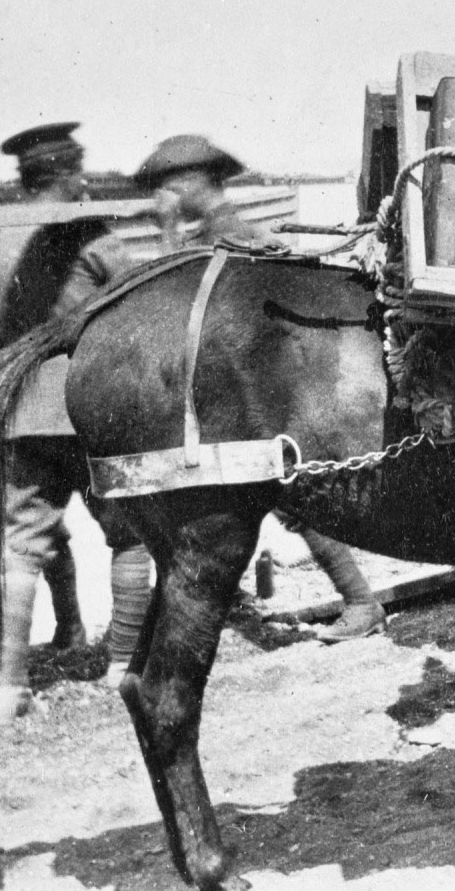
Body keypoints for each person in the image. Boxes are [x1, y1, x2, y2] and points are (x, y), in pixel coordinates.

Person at [134, 135, 386, 642]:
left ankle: (361, 601)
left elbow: (165, 297)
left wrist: (164, 231)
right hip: (250, 388)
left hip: (268, 389)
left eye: (170, 186)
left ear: (193, 183)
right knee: (281, 496)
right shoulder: (216, 230)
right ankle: (357, 601)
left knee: (289, 492)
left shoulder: (232, 234)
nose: (164, 197)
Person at [0, 122, 150, 723]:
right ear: (71, 175)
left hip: (22, 415)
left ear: (24, 179)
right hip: (92, 408)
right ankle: (123, 664)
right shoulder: (91, 236)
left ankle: (10, 684)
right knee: (128, 531)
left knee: (21, 547)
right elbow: (142, 305)